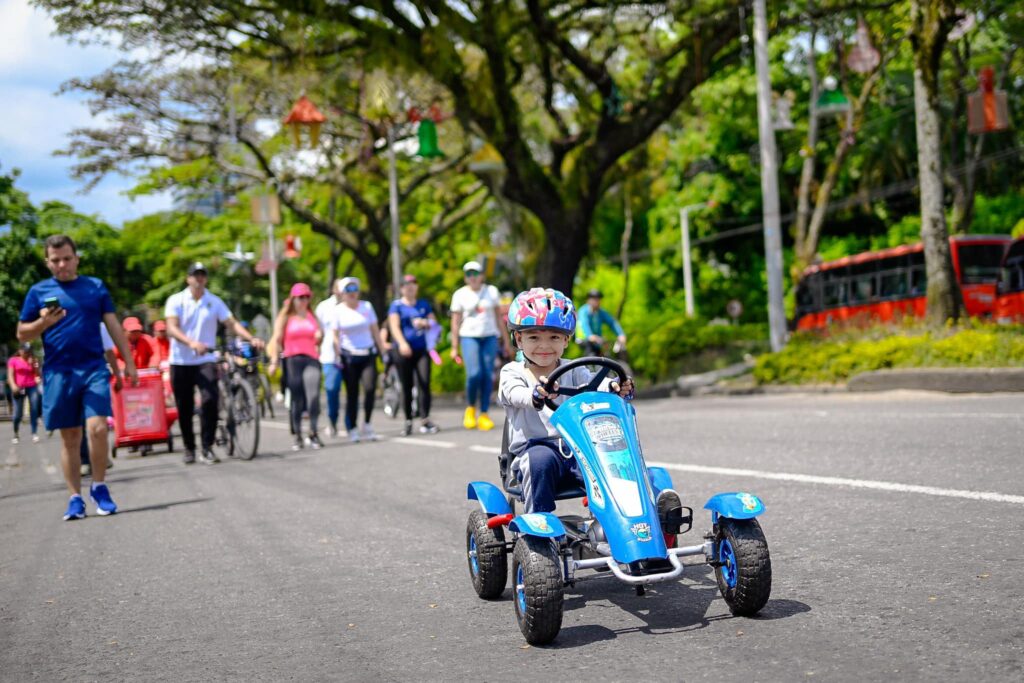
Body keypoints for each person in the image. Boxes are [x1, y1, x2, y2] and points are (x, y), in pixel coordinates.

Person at [17, 234, 138, 521]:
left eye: (67, 259)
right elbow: (22, 333)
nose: (62, 265)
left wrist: (128, 363)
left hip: (93, 368)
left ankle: (99, 486)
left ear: (77, 258)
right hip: (58, 372)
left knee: (97, 428)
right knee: (70, 438)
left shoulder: (95, 287)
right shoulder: (37, 292)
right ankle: (75, 498)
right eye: (55, 260)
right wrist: (43, 322)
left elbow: (113, 326)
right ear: (47, 262)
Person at [499, 288, 634, 514]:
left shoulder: (574, 369)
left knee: (615, 461)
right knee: (539, 462)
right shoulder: (513, 372)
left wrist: (614, 387)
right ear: (518, 338)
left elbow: (596, 383)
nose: (544, 345)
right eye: (534, 337)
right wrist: (535, 395)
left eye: (554, 337)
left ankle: (626, 520)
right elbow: (514, 394)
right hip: (536, 449)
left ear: (566, 339)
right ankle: (538, 527)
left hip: (578, 447)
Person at [165, 261, 263, 465]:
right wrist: (191, 342)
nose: (199, 279)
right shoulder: (176, 300)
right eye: (195, 275)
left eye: (202, 275)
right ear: (188, 278)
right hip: (181, 360)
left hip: (206, 359)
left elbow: (232, 323)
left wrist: (250, 338)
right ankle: (189, 448)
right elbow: (171, 328)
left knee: (210, 399)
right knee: (185, 406)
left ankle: (207, 447)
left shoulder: (214, 301)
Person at [449, 261, 510, 432]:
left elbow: (499, 318)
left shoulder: (491, 291)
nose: (473, 277)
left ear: (482, 275)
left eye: (476, 273)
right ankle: (470, 408)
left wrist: (506, 342)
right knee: (474, 374)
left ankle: (484, 413)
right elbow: (455, 322)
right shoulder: (459, 294)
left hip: (489, 337)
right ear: (465, 277)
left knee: (487, 375)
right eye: (469, 274)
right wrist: (454, 346)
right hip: (469, 337)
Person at [267, 283, 324, 451]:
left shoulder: (312, 317)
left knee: (313, 396)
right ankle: (298, 434)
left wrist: (320, 337)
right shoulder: (285, 318)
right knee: (297, 398)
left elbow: (319, 338)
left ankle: (313, 432)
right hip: (292, 360)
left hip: (311, 359)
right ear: (293, 299)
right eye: (301, 297)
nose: (304, 300)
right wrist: (274, 361)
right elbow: (277, 340)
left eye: (307, 297)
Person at [331, 277, 384, 443]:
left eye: (354, 289)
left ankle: (367, 423)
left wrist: (383, 352)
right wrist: (336, 349)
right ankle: (352, 427)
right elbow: (335, 334)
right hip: (349, 356)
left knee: (369, 389)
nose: (352, 293)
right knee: (352, 393)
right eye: (348, 290)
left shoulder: (366, 307)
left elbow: (375, 330)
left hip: (367, 353)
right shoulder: (338, 310)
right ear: (342, 293)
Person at [387, 274, 439, 436]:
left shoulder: (423, 304)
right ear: (401, 288)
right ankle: (408, 420)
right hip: (403, 350)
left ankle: (425, 419)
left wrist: (425, 323)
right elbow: (394, 327)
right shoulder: (396, 306)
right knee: (407, 385)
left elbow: (434, 323)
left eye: (413, 284)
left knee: (424, 382)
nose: (410, 287)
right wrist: (402, 343)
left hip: (421, 349)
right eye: (407, 284)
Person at [314, 279, 345, 437]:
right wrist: (316, 351)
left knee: (352, 390)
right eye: (338, 289)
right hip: (329, 356)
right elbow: (317, 331)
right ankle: (332, 421)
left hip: (349, 355)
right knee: (332, 389)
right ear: (333, 290)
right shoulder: (324, 307)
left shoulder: (354, 306)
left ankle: (350, 424)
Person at [7, 343, 42, 444]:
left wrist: (34, 365)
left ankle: (34, 433)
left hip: (31, 387)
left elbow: (38, 374)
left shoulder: (34, 360)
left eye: (29, 351)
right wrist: (13, 385)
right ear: (20, 351)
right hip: (19, 387)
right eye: (26, 351)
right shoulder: (13, 360)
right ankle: (16, 433)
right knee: (18, 413)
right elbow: (10, 375)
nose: (27, 353)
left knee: (34, 408)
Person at [576, 289, 627, 357]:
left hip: (597, 340)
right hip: (583, 339)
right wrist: (590, 335)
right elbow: (585, 324)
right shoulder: (583, 311)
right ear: (588, 300)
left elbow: (612, 322)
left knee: (605, 357)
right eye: (594, 299)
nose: (597, 301)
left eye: (598, 299)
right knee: (591, 355)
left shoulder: (600, 312)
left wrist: (620, 334)